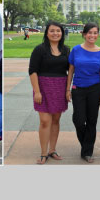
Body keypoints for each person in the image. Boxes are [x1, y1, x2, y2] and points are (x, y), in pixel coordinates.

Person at [28, 22, 70, 164]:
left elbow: (70, 71)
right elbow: (32, 71)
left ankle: (52, 150)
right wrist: (37, 92)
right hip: (43, 88)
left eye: (58, 31)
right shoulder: (40, 50)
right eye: (52, 31)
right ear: (47, 33)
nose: (55, 33)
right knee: (45, 121)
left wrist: (68, 89)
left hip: (60, 87)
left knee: (56, 120)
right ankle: (43, 152)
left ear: (62, 33)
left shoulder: (66, 50)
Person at [67, 23, 100, 163]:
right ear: (84, 34)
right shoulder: (76, 50)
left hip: (95, 89)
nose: (92, 35)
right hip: (78, 88)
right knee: (78, 119)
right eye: (89, 32)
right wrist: (68, 89)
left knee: (91, 120)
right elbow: (71, 70)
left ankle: (87, 151)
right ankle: (86, 144)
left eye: (95, 33)